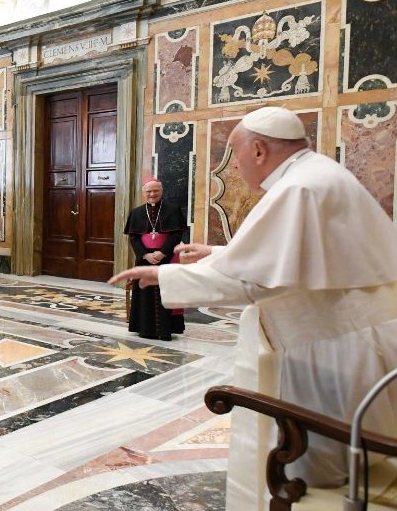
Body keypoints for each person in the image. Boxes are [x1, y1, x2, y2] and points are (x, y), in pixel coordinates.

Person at [108, 107, 397, 511]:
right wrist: (217, 251)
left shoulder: (296, 189)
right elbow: (290, 256)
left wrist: (163, 278)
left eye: (235, 153)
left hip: (326, 349)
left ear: (258, 149)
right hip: (345, 337)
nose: (235, 166)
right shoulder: (318, 174)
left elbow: (255, 279)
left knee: (314, 477)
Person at [121, 178, 187, 341]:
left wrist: (163, 252)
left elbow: (177, 234)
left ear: (161, 191)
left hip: (167, 258)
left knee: (165, 293)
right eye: (148, 191)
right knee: (144, 294)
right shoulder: (136, 212)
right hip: (144, 259)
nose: (152, 194)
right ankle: (144, 329)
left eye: (155, 190)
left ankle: (166, 330)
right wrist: (145, 254)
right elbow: (134, 238)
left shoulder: (173, 209)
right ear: (144, 193)